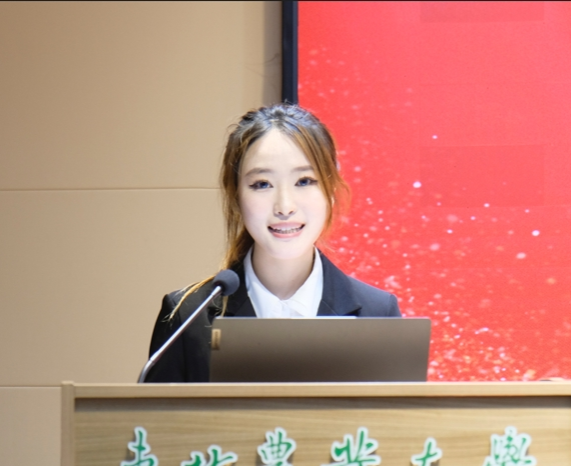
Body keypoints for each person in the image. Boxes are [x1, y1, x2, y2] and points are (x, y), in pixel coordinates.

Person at [144, 103, 401, 383]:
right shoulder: (188, 316)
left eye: (304, 181)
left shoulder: (378, 314)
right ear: (236, 196)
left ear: (330, 192)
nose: (285, 206)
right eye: (262, 184)